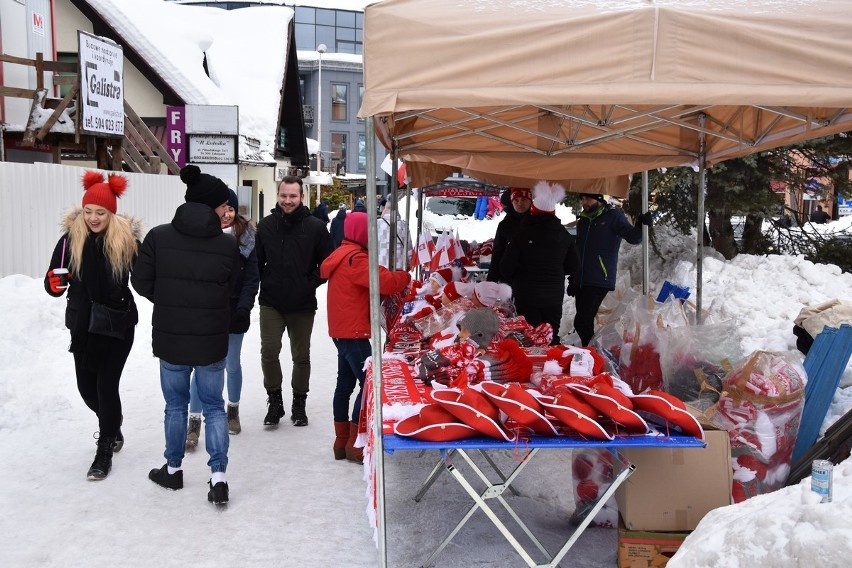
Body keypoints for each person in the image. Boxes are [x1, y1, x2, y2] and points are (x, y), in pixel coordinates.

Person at [132, 165, 240, 506]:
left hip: (171, 338)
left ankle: (174, 469)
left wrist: (169, 300)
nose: (227, 210)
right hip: (211, 339)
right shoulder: (226, 246)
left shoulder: (158, 238)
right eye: (223, 204)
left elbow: (141, 282)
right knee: (213, 406)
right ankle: (219, 477)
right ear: (211, 207)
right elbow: (233, 289)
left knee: (176, 405)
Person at [44, 171, 140, 481]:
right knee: (86, 389)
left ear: (111, 212)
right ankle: (113, 423)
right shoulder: (70, 240)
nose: (93, 218)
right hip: (83, 325)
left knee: (105, 385)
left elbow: (146, 279)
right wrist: (54, 284)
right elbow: (53, 281)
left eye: (100, 212)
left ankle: (105, 449)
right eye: (88, 211)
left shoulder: (126, 241)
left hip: (116, 325)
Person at [320, 211, 411, 463]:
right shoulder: (357, 260)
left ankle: (341, 442)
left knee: (345, 384)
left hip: (342, 331)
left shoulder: (341, 254)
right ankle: (355, 443)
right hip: (355, 332)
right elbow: (388, 282)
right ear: (364, 233)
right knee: (369, 383)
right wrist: (405, 275)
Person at [256, 176, 333, 428]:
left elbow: (328, 264)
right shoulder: (265, 226)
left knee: (301, 355)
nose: (288, 201)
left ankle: (299, 402)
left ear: (302, 197)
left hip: (302, 303)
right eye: (284, 196)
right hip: (271, 301)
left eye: (293, 196)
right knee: (269, 352)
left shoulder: (315, 227)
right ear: (277, 196)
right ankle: (274, 400)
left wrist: (308, 283)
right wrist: (265, 280)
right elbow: (257, 263)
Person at [186, 189, 259, 448]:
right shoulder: (202, 235)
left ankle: (233, 410)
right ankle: (194, 421)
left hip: (233, 311)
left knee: (231, 363)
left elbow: (251, 280)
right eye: (222, 208)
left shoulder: (248, 238)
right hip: (205, 312)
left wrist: (243, 309)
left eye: (231, 208)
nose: (227, 214)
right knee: (200, 365)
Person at [500, 181, 578, 345]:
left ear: (533, 211)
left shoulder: (521, 235)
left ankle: (533, 366)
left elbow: (505, 268)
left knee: (529, 336)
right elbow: (574, 266)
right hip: (553, 295)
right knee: (551, 335)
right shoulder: (564, 236)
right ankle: (553, 365)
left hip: (526, 295)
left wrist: (519, 273)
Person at [572, 193, 652, 346]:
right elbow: (578, 249)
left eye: (588, 198)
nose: (584, 202)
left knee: (582, 322)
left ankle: (594, 356)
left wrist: (641, 225)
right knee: (584, 323)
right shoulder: (583, 221)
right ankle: (590, 357)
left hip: (599, 278)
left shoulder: (613, 216)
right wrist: (573, 277)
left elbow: (633, 238)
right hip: (582, 278)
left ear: (599, 199)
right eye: (581, 198)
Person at [487, 187, 531, 282]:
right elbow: (497, 253)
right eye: (516, 200)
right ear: (511, 201)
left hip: (533, 279)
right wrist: (491, 280)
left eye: (523, 200)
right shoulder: (505, 225)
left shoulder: (538, 222)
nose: (520, 203)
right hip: (509, 279)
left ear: (530, 201)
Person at [377, 194, 411, 270]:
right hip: (398, 267)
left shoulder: (377, 224)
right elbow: (409, 248)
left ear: (384, 209)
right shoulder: (403, 225)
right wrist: (409, 264)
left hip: (380, 268)